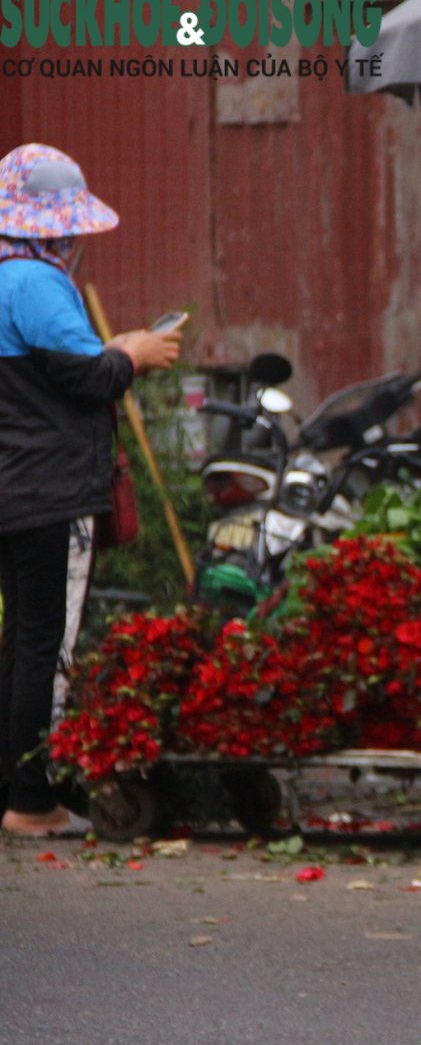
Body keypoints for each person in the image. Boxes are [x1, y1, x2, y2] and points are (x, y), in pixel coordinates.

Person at [0, 143, 179, 835]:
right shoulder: (37, 282)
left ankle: (13, 790)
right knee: (46, 644)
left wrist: (116, 349)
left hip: (11, 488)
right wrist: (132, 354)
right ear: (51, 225)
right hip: (50, 491)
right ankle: (33, 801)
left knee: (18, 639)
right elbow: (90, 378)